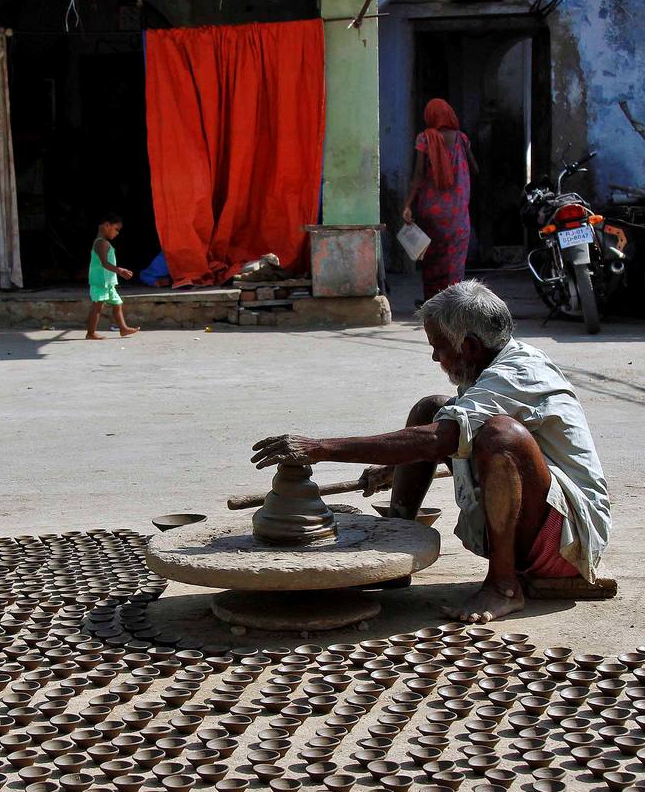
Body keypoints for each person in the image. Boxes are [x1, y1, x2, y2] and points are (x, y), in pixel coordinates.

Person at [250, 280, 611, 623]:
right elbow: (442, 431)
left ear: (469, 346)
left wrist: (320, 449)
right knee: (433, 408)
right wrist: (394, 467)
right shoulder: (488, 364)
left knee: (500, 436)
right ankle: (395, 556)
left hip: (567, 541)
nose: (435, 356)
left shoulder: (519, 373)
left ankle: (504, 586)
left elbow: (441, 440)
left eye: (438, 346)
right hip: (533, 519)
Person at [402, 98, 479, 307]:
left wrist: (408, 204)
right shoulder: (462, 138)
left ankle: (432, 303)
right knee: (454, 260)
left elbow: (418, 175)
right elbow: (475, 168)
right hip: (457, 213)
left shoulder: (424, 138)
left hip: (431, 212)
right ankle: (453, 304)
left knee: (431, 259)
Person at [87, 212, 139, 340]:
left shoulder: (103, 243)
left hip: (108, 282)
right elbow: (104, 263)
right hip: (100, 281)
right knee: (97, 306)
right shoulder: (101, 243)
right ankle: (90, 333)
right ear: (106, 225)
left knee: (117, 304)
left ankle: (123, 329)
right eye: (116, 229)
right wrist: (120, 270)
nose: (117, 233)